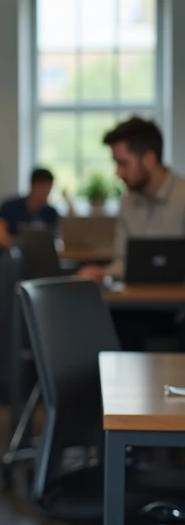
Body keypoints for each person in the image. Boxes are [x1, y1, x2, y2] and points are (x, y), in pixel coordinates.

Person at [78, 117, 185, 351]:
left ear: (149, 159)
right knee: (102, 327)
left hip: (179, 309)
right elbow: (124, 259)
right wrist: (103, 271)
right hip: (137, 306)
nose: (118, 173)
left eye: (123, 163)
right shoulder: (127, 202)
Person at [0, 167, 72, 250]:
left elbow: (67, 236)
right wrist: (18, 245)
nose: (45, 192)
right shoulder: (10, 206)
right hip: (12, 255)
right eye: (41, 187)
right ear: (32, 186)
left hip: (41, 256)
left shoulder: (51, 212)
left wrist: (68, 201)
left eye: (48, 189)